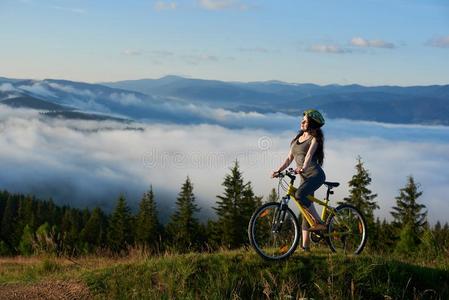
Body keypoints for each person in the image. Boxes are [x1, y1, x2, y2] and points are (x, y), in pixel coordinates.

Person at [271, 109, 326, 251]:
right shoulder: (297, 139)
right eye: (302, 120)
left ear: (311, 124)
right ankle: (305, 247)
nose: (302, 122)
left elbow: (308, 158)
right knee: (305, 212)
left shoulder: (314, 139)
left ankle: (319, 222)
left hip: (315, 175)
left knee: (300, 195)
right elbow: (289, 158)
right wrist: (278, 170)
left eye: (305, 121)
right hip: (304, 178)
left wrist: (302, 168)